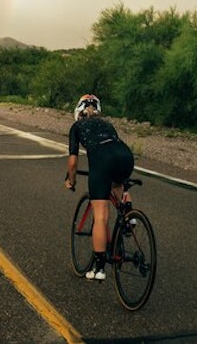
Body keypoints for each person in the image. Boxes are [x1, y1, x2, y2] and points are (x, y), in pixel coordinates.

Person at [64, 94, 135, 281]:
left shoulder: (77, 126)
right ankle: (128, 215)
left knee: (101, 215)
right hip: (125, 155)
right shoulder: (107, 124)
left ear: (78, 112)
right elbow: (112, 147)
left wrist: (71, 180)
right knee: (119, 183)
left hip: (102, 160)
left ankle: (99, 268)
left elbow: (72, 163)